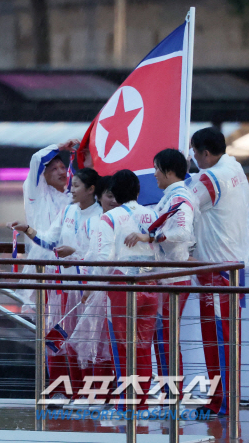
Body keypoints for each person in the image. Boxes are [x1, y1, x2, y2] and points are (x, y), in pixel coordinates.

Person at [10, 168, 102, 407]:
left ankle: (89, 394)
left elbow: (102, 255)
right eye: (72, 185)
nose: (71, 189)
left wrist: (76, 253)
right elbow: (49, 240)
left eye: (77, 186)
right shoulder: (68, 210)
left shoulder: (101, 215)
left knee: (88, 342)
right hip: (63, 288)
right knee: (58, 339)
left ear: (91, 190)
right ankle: (60, 391)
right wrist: (28, 230)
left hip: (90, 289)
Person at [186, 127, 249, 416]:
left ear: (206, 154)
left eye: (194, 153)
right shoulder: (233, 165)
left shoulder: (210, 178)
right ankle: (223, 399)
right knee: (224, 338)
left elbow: (181, 207)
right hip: (232, 266)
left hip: (217, 271)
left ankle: (221, 402)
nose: (193, 158)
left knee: (218, 340)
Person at [8, 139, 75, 403]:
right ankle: (59, 390)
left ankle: (80, 391)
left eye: (64, 167)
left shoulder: (74, 198)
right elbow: (37, 159)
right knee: (53, 334)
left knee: (79, 332)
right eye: (55, 167)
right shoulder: (36, 195)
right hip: (46, 275)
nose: (62, 171)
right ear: (43, 175)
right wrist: (62, 145)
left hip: (75, 273)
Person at [123, 149, 196, 392]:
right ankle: (169, 395)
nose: (154, 174)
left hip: (173, 278)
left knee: (166, 341)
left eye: (156, 168)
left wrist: (151, 237)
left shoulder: (179, 198)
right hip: (167, 276)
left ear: (169, 171)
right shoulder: (170, 196)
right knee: (163, 340)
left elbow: (184, 233)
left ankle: (172, 396)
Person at [90, 170, 159, 411]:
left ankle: (126, 405)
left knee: (122, 348)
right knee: (143, 348)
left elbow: (102, 259)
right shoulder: (152, 214)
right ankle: (140, 404)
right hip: (151, 284)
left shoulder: (109, 218)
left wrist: (91, 286)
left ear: (114, 194)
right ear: (138, 191)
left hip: (121, 287)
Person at [68, 176, 118, 410]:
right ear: (98, 195)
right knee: (93, 343)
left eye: (116, 195)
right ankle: (95, 395)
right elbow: (91, 257)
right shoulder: (98, 220)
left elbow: (100, 258)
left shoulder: (113, 219)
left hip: (112, 289)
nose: (113, 200)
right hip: (96, 287)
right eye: (109, 195)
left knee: (106, 343)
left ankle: (104, 396)